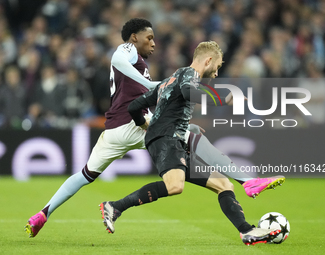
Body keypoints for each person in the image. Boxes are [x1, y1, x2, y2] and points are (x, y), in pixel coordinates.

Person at [25, 18, 284, 239]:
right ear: (134, 37)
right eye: (149, 38)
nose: (153, 43)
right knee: (187, 143)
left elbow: (148, 106)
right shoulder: (127, 50)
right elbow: (117, 59)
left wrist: (162, 103)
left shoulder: (145, 66)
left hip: (123, 128)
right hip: (132, 125)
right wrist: (151, 85)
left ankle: (44, 213)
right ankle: (248, 181)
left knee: (85, 175)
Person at [100, 41, 282, 246]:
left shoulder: (171, 79)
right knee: (175, 185)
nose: (216, 73)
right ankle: (115, 207)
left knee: (223, 184)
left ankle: (247, 231)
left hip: (173, 140)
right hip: (166, 140)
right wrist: (224, 98)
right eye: (218, 67)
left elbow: (135, 106)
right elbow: (188, 93)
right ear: (209, 60)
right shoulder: (189, 74)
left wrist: (147, 125)